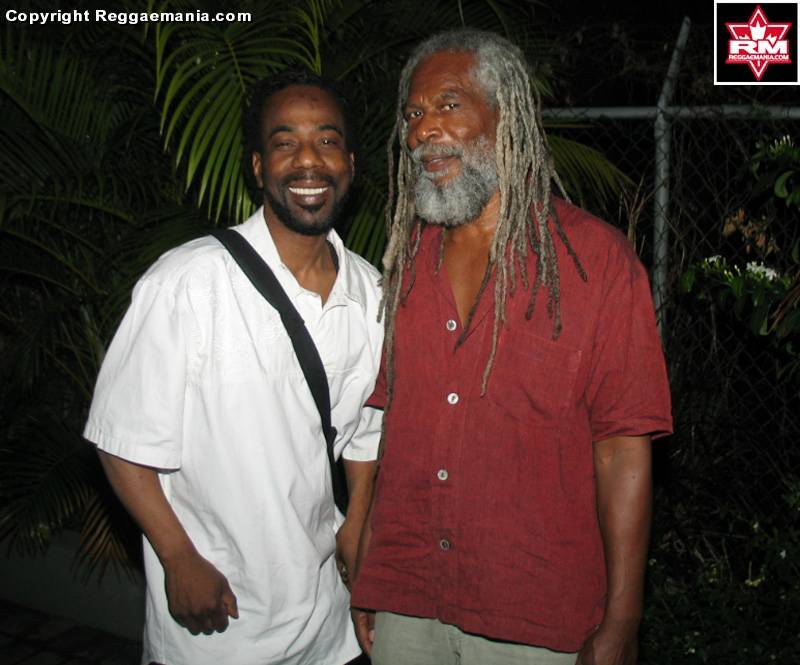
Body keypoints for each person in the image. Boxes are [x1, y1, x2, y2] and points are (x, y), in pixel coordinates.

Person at [350, 29, 673, 665]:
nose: (422, 131)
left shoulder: (595, 263)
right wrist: (372, 566)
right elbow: (392, 428)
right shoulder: (406, 259)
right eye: (412, 115)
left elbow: (622, 450)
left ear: (507, 115)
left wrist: (623, 618)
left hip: (536, 614)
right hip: (407, 599)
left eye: (448, 105)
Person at [84, 69, 383, 665]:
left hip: (328, 625)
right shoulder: (189, 283)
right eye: (285, 142)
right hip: (220, 620)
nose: (308, 160)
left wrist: (358, 521)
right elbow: (121, 441)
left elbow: (364, 430)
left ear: (349, 163)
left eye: (326, 140)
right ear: (257, 166)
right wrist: (177, 557)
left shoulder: (372, 292)